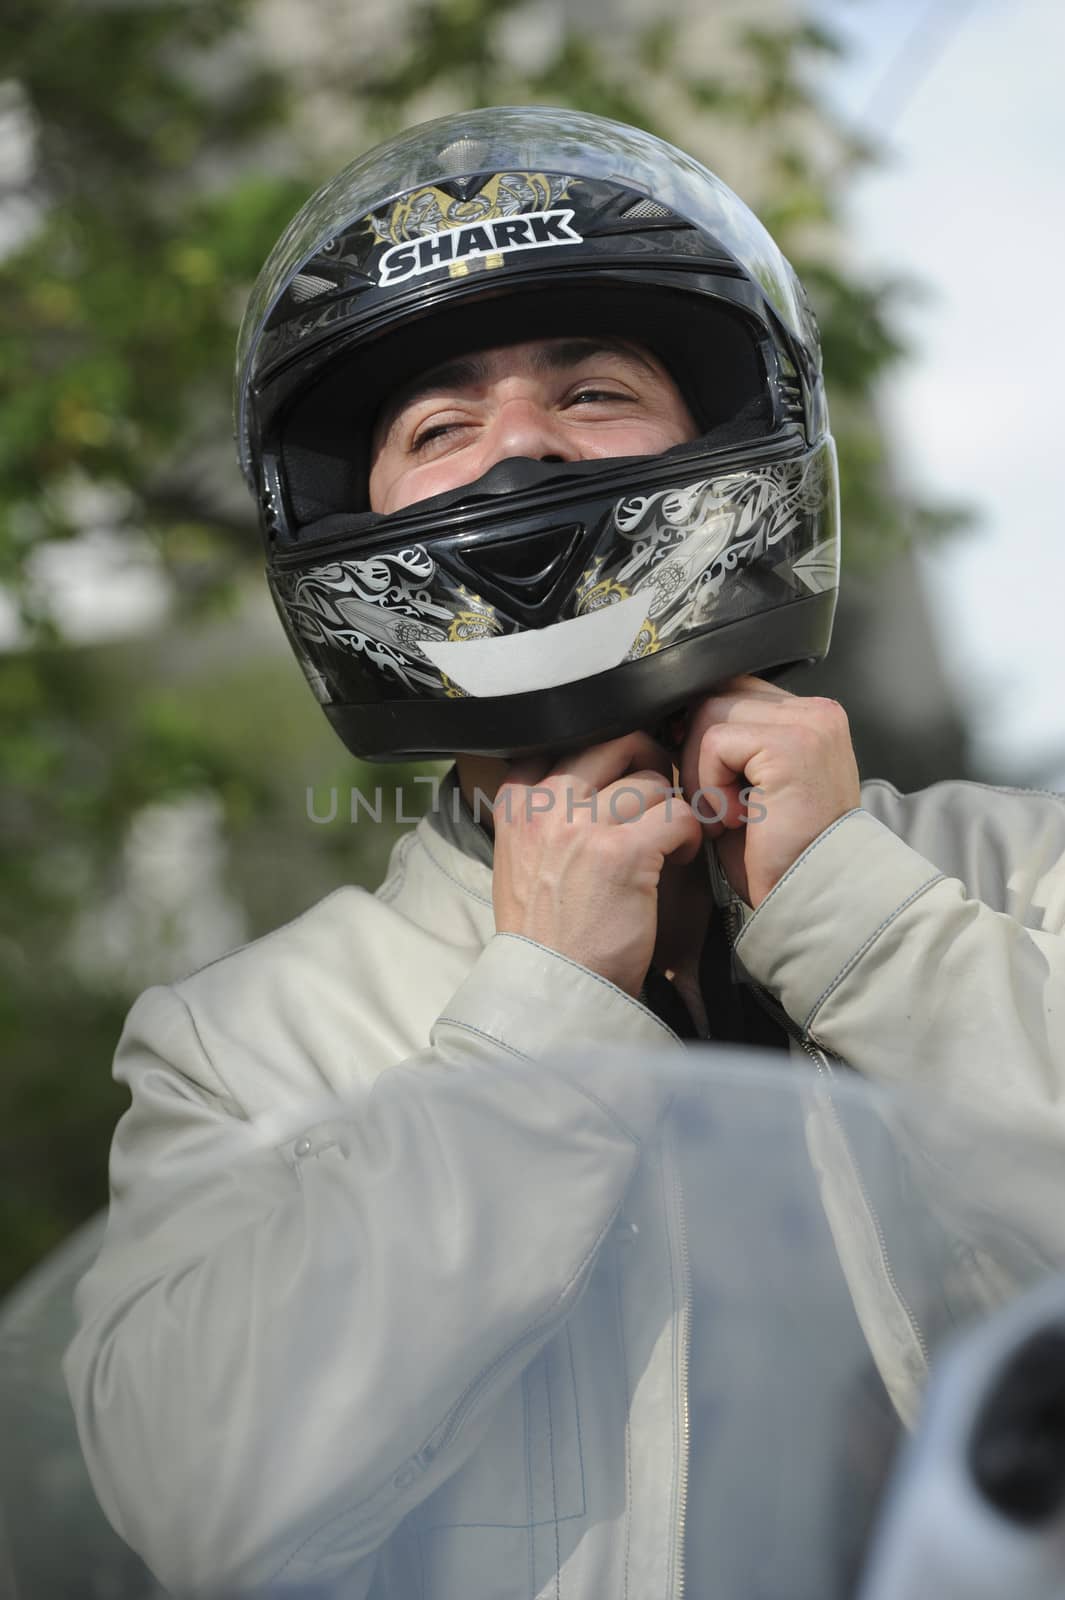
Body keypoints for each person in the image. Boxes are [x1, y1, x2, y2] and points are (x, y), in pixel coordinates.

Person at [63, 106, 1065, 1598]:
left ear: (725, 441)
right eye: (438, 429)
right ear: (354, 516)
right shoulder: (238, 1042)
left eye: (592, 393)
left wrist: (859, 917)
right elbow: (197, 1495)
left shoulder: (1017, 870)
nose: (520, 449)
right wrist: (530, 1016)